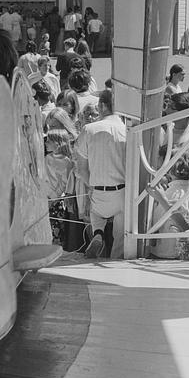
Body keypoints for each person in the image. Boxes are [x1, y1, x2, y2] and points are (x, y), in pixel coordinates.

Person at [73, 89, 127, 259]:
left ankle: (98, 232)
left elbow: (81, 169)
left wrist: (91, 186)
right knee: (120, 240)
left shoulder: (88, 129)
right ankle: (116, 266)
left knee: (96, 214)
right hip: (123, 191)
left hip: (99, 189)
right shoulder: (127, 130)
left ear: (102, 106)